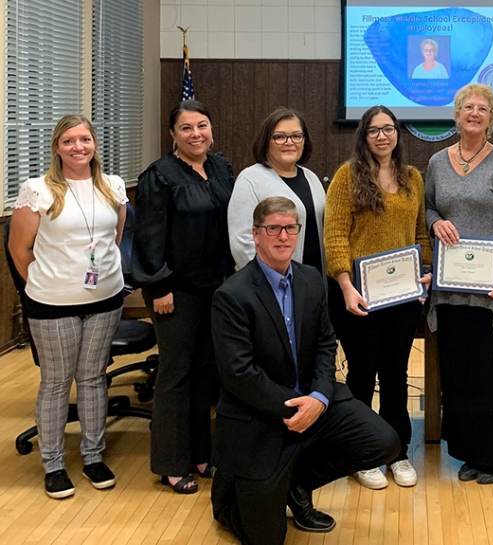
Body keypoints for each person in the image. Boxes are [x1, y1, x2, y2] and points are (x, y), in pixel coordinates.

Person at [210, 196, 399, 545]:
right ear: (255, 234)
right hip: (259, 412)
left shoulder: (311, 280)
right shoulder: (232, 295)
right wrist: (297, 405)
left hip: (313, 398)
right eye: (273, 229)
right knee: (266, 538)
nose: (283, 236)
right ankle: (231, 492)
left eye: (290, 228)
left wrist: (320, 398)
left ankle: (295, 482)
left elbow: (327, 344)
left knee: (384, 442)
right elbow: (238, 374)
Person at [9, 115, 128, 499]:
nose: (78, 147)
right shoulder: (37, 189)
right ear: (56, 147)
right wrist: (46, 284)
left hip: (105, 299)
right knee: (57, 383)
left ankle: (93, 456)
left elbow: (113, 238)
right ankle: (54, 464)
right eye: (69, 141)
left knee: (93, 378)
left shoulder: (112, 186)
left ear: (95, 144)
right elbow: (18, 249)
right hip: (52, 303)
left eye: (85, 139)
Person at [324, 105, 432, 490]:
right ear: (363, 136)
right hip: (357, 297)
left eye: (388, 129)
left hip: (401, 298)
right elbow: (334, 235)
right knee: (361, 375)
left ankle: (397, 451)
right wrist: (346, 285)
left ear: (398, 133)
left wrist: (425, 273)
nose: (382, 136)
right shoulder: (346, 176)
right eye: (374, 130)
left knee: (396, 374)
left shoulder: (412, 178)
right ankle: (361, 455)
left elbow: (420, 233)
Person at [425, 83, 493, 484]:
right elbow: (429, 206)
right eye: (468, 106)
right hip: (451, 289)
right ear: (457, 114)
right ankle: (470, 452)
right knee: (461, 373)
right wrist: (436, 222)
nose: (474, 113)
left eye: (483, 108)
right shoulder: (436, 161)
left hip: (492, 289)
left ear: (492, 118)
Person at [133, 99, 236, 494]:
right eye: (187, 128)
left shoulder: (221, 168)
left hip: (219, 288)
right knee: (175, 374)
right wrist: (157, 285)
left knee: (205, 373)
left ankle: (200, 453)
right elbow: (148, 236)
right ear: (173, 135)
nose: (197, 134)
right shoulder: (159, 176)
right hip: (176, 291)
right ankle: (171, 463)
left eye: (202, 126)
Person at [228, 108, 326, 273]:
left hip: (314, 282)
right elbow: (242, 242)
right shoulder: (250, 180)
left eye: (296, 136)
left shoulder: (312, 177)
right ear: (266, 142)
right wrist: (272, 282)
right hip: (269, 285)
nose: (289, 142)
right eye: (279, 137)